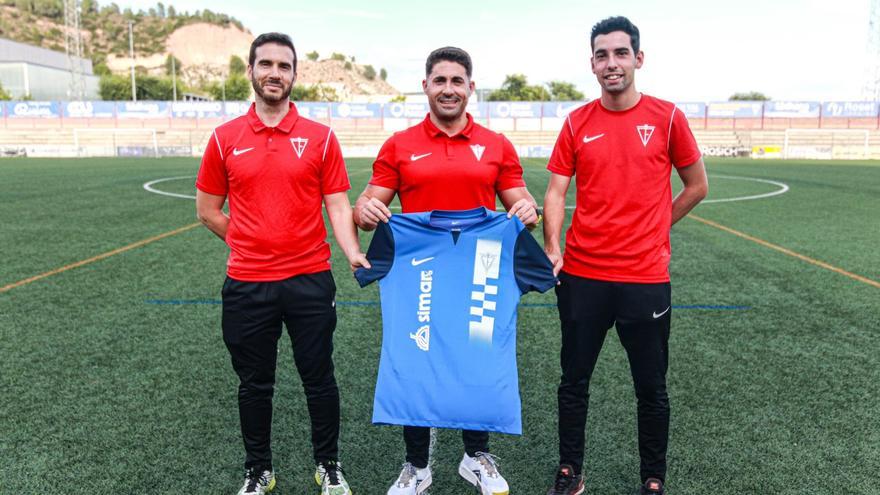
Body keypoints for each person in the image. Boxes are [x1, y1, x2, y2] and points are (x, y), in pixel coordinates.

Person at [354, 46, 539, 495]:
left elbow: (519, 201)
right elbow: (365, 207)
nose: (449, 89)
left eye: (458, 81)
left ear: (471, 88)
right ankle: (416, 466)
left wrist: (528, 211)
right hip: (422, 270)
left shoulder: (496, 145)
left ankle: (475, 458)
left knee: (478, 353)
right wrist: (366, 209)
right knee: (416, 357)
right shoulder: (400, 145)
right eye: (440, 81)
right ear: (426, 86)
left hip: (482, 268)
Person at [195, 32, 368, 495]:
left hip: (310, 280)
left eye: (284, 66)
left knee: (319, 378)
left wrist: (352, 252)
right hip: (248, 283)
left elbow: (336, 203)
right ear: (250, 71)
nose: (275, 73)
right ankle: (258, 470)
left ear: (294, 75)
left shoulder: (321, 137)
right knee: (255, 383)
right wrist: (251, 242)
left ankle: (328, 465)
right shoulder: (224, 137)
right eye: (266, 64)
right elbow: (208, 210)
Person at [542, 16, 709, 495]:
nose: (610, 63)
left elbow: (697, 186)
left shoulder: (668, 117)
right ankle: (570, 470)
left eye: (619, 53)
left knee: (651, 389)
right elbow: (555, 192)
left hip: (644, 279)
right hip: (582, 276)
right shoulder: (577, 122)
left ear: (638, 58)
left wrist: (656, 226)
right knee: (573, 381)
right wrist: (553, 246)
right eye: (601, 55)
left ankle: (652, 477)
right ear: (592, 64)